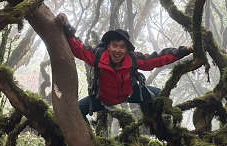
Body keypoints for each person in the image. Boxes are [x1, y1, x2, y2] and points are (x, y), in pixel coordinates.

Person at [55, 13, 193, 117]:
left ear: (127, 49)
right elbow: (78, 48)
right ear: (108, 47)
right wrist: (66, 26)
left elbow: (158, 58)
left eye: (122, 47)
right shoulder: (97, 56)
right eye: (114, 46)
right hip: (102, 99)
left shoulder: (133, 59)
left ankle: (155, 123)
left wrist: (184, 51)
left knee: (160, 95)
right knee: (77, 110)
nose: (118, 50)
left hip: (130, 94)